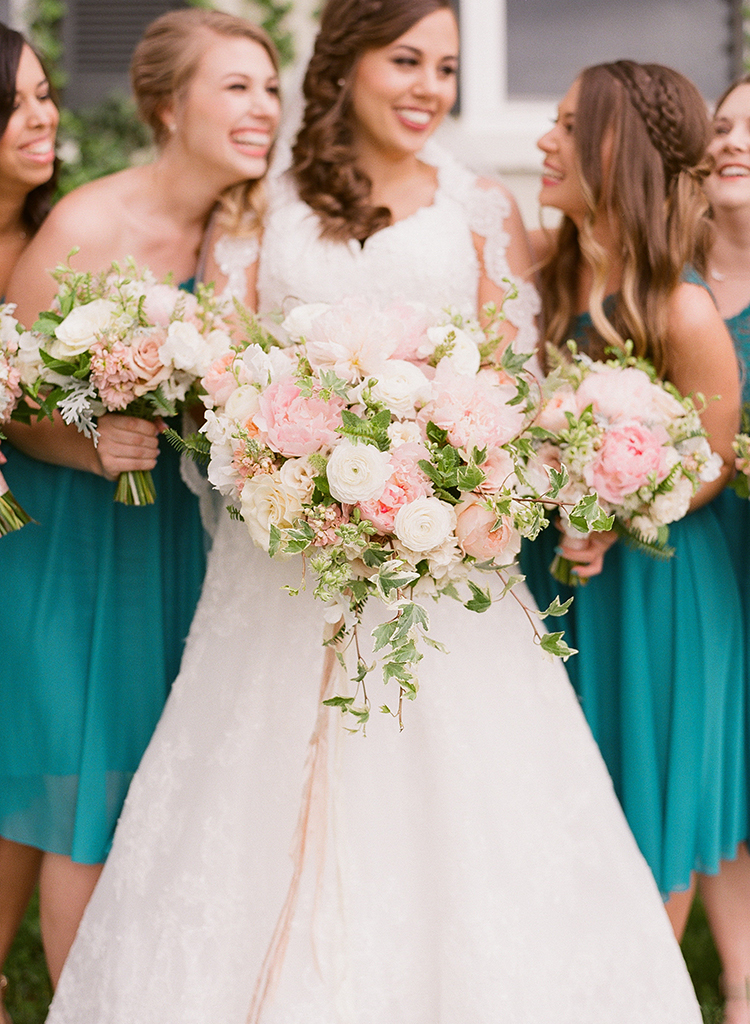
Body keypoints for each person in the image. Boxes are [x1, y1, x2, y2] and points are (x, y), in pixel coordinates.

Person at [46, 5, 701, 1023]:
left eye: (446, 66)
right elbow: (220, 378)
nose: (429, 86)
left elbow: (516, 390)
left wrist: (447, 481)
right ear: (346, 63)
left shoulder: (485, 208)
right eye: (407, 60)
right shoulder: (258, 207)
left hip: (440, 571)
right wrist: (289, 467)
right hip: (282, 559)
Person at [0, 7, 280, 996]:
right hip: (73, 538)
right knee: (88, 780)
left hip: (186, 537)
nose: (264, 108)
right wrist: (88, 446)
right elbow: (9, 398)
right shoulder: (87, 223)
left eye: (271, 88)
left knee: (159, 782)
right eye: (237, 86)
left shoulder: (258, 229)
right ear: (169, 105)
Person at [519, 59, 747, 993]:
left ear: (615, 150)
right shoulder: (543, 278)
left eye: (568, 126)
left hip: (658, 593)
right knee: (552, 814)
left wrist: (619, 508)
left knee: (643, 821)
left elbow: (708, 460)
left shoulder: (679, 307)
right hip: (552, 579)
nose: (544, 140)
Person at [0, 22, 59, 1021]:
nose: (42, 116)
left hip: (52, 529)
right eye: (14, 103)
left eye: (45, 94)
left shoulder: (66, 238)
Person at [691, 73, 750, 1024]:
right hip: (691, 550)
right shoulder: (660, 272)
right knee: (710, 764)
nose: (734, 140)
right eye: (727, 122)